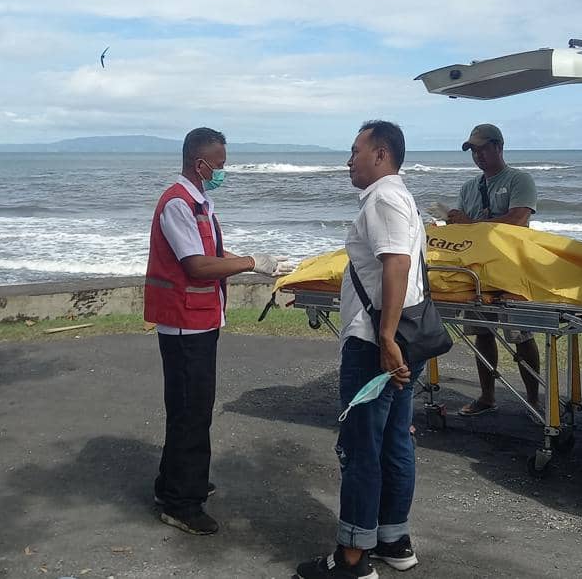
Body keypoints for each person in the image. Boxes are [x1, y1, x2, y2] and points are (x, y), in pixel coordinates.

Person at [297, 120, 427, 579]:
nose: (348, 160)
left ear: (381, 154)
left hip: (375, 345)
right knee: (394, 441)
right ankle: (393, 539)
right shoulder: (401, 197)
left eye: (355, 151)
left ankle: (352, 558)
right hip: (396, 339)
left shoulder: (384, 198)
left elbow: (396, 265)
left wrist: (386, 339)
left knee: (361, 449)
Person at [144, 127, 289, 536]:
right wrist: (248, 262)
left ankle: (174, 484)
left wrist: (255, 261)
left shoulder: (198, 201)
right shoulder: (177, 204)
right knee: (192, 412)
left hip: (200, 320)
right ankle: (182, 504)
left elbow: (209, 254)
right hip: (184, 324)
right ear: (200, 163)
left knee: (189, 409)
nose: (223, 172)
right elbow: (196, 266)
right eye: (220, 166)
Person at [445, 123, 541, 415]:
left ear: (498, 147)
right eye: (473, 150)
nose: (477, 155)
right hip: (477, 274)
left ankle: (534, 399)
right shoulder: (469, 187)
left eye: (482, 148)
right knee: (481, 333)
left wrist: (469, 224)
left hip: (513, 271)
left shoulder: (519, 180)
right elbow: (463, 231)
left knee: (522, 337)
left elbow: (517, 221)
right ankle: (487, 397)